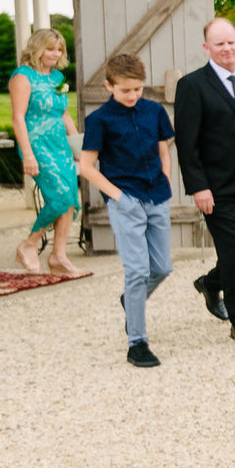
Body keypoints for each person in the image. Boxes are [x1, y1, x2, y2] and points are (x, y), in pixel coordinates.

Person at [78, 51, 179, 368]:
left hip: (157, 196)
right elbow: (86, 167)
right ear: (109, 85)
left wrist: (165, 177)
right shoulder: (99, 121)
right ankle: (137, 342)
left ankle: (130, 301)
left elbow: (164, 150)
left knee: (162, 268)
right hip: (126, 201)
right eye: (125, 90)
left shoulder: (154, 111)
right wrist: (119, 198)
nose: (133, 95)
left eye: (137, 89)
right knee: (137, 272)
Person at [175, 16, 235, 346]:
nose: (227, 48)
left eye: (231, 42)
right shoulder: (192, 85)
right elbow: (187, 144)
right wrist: (198, 187)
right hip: (216, 188)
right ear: (206, 48)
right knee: (232, 251)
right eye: (219, 43)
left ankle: (211, 282)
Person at [9, 29, 80, 276]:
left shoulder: (57, 77)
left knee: (70, 197)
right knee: (59, 196)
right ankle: (29, 244)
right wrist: (27, 155)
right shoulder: (23, 76)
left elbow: (64, 113)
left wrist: (78, 146)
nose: (55, 54)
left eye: (59, 49)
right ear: (37, 49)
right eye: (50, 48)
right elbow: (17, 118)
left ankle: (59, 256)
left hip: (60, 144)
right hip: (36, 144)